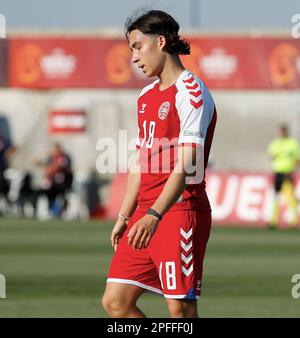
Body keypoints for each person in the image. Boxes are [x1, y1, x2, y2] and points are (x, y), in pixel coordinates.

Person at [102, 10, 217, 318]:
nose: (134, 58)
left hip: (179, 211)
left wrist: (155, 214)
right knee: (116, 302)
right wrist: (126, 214)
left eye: (138, 47)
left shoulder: (192, 93)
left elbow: (186, 164)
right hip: (144, 213)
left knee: (180, 310)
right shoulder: (146, 96)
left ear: (161, 42)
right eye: (131, 50)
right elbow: (140, 161)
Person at [267, 124, 300, 228]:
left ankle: (294, 221)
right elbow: (271, 156)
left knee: (290, 197)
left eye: (284, 131)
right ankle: (273, 221)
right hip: (278, 173)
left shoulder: (292, 143)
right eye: (281, 131)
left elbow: (297, 158)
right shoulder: (276, 143)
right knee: (276, 196)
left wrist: (293, 169)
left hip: (288, 173)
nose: (282, 133)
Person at [34, 143, 73, 217]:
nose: (55, 151)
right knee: (44, 191)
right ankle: (48, 210)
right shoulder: (51, 158)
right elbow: (45, 167)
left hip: (62, 183)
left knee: (55, 192)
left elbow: (55, 168)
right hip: (52, 183)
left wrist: (47, 167)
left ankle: (59, 211)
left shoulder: (63, 158)